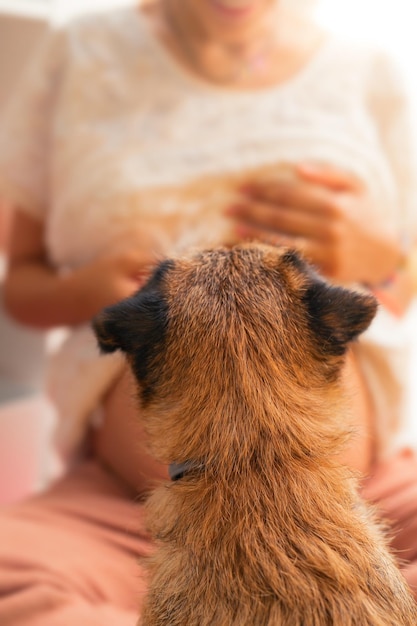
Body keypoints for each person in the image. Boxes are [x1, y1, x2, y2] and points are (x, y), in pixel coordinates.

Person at [0, 0, 416, 623]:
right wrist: (87, 288)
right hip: (124, 510)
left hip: (371, 487)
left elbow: (402, 281)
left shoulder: (371, 68)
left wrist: (379, 258)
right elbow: (22, 279)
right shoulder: (78, 53)